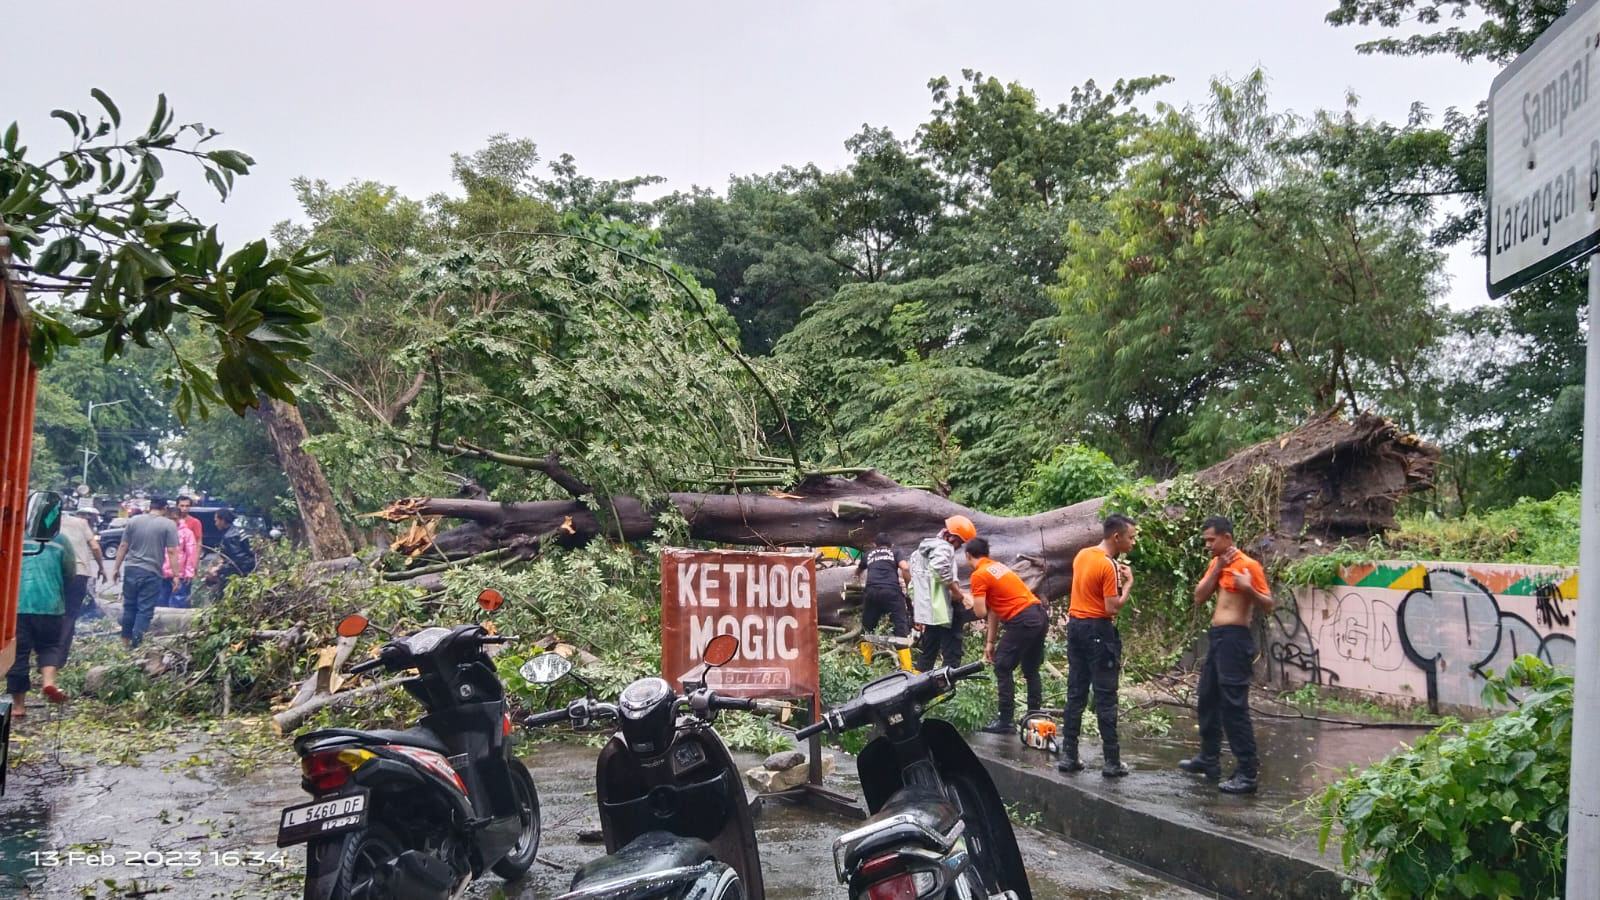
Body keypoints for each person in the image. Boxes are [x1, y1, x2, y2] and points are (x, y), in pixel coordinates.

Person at [1180, 515, 1273, 795]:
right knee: (1207, 697)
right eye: (1206, 540)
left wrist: (1248, 589)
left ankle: (1247, 772)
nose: (1208, 545)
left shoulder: (1249, 566)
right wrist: (1218, 567)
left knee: (1234, 705)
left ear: (1227, 538)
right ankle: (1209, 759)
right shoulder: (1217, 564)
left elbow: (1268, 604)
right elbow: (1199, 596)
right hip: (1217, 638)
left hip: (1235, 640)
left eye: (1212, 540)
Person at [1059, 514, 1138, 776]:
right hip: (1098, 631)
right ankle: (1112, 761)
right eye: (1131, 537)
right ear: (1117, 537)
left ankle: (1068, 755)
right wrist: (1128, 584)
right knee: (1105, 696)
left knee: (1076, 692)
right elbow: (1111, 606)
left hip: (1075, 627)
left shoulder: (1082, 555)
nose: (1133, 542)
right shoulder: (1109, 566)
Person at [966, 537, 1048, 734]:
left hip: (1023, 620)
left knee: (1002, 665)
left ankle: (1005, 721)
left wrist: (965, 597)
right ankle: (1033, 716)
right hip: (1038, 615)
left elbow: (980, 612)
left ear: (968, 555)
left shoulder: (979, 575)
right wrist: (990, 642)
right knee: (1030, 668)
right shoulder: (998, 567)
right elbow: (994, 611)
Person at [9, 532, 75, 716]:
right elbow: (70, 573)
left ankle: (18, 706)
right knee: (50, 646)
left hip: (18, 605)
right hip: (51, 605)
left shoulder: (14, 536)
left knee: (17, 654)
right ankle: (49, 683)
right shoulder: (61, 540)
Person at [908, 515, 976, 672]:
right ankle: (947, 685)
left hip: (931, 611)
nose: (960, 547)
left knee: (929, 650)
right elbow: (939, 569)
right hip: (945, 607)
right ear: (953, 537)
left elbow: (915, 581)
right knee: (952, 652)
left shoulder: (920, 552)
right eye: (961, 542)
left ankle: (919, 686)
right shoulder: (945, 548)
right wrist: (957, 593)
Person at [113, 496, 182, 649]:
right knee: (144, 610)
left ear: (150, 507)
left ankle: (124, 642)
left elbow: (123, 545)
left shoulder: (134, 521)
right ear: (164, 509)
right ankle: (136, 646)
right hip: (151, 572)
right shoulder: (168, 525)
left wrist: (116, 568)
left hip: (131, 569)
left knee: (129, 606)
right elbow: (171, 551)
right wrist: (176, 575)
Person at [57, 510, 103, 659]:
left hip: (55, 572)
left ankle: (45, 652)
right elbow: (95, 547)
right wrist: (101, 567)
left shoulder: (48, 523)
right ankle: (59, 655)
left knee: (53, 612)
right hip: (79, 572)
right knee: (70, 614)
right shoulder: (81, 524)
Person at [207, 508, 256, 597]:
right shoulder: (237, 531)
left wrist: (219, 569)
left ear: (222, 520)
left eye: (216, 521)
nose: (215, 524)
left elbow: (238, 560)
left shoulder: (230, 537)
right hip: (249, 567)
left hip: (241, 572)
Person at [160, 502, 199, 608]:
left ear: (179, 519)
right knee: (161, 601)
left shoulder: (187, 533)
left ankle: (175, 625)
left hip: (180, 574)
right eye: (170, 519)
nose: (172, 522)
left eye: (175, 519)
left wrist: (189, 572)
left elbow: (191, 554)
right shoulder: (162, 532)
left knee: (178, 602)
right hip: (162, 573)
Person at [173, 496, 205, 606]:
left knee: (182, 594)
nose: (184, 508)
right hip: (170, 563)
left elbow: (198, 543)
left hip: (186, 564)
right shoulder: (170, 522)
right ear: (177, 506)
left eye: (187, 506)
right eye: (182, 506)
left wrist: (195, 563)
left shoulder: (195, 522)